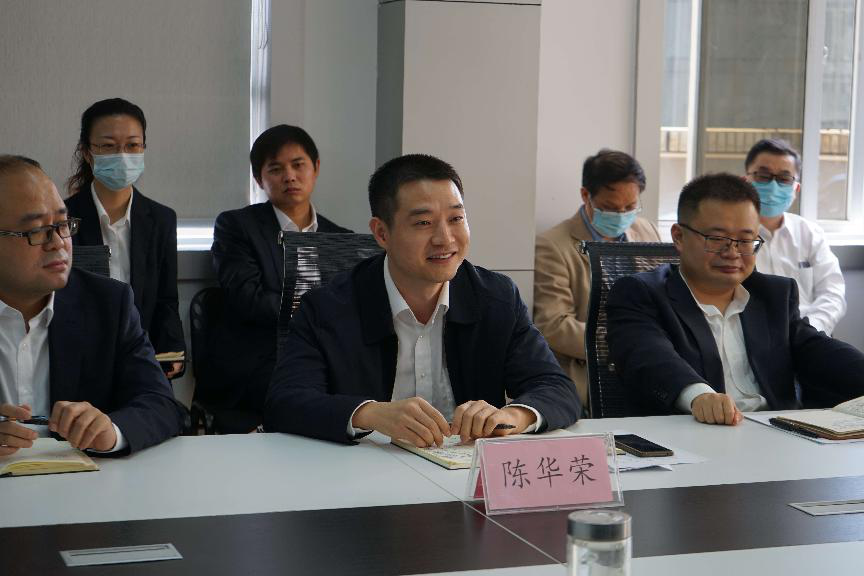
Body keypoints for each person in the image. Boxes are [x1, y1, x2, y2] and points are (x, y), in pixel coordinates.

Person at [264, 154, 580, 445]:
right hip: (363, 470)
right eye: (423, 223)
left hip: (465, 473)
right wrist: (370, 414)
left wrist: (512, 416)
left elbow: (557, 388)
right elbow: (285, 401)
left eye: (456, 218)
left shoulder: (496, 298)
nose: (445, 238)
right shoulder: (327, 307)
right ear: (382, 233)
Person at [606, 173, 864, 425]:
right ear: (679, 237)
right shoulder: (640, 293)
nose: (732, 252)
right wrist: (698, 396)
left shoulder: (773, 294)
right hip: (689, 435)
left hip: (777, 434)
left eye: (745, 240)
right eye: (717, 239)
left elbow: (818, 350)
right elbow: (650, 357)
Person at [0, 155, 185, 455]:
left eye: (63, 224)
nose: (58, 242)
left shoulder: (108, 303)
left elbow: (161, 404)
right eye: (36, 230)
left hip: (84, 478)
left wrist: (111, 430)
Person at [210, 125, 352, 426]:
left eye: (298, 165)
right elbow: (248, 298)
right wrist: (315, 314)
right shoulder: (237, 226)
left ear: (315, 168)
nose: (289, 176)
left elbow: (349, 306)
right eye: (276, 169)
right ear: (258, 179)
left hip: (327, 359)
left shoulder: (340, 237)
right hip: (262, 359)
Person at [65, 98, 185, 377]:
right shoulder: (63, 218)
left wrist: (172, 349)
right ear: (87, 152)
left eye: (132, 145)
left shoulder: (161, 219)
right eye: (108, 146)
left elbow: (166, 297)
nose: (122, 155)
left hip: (141, 354)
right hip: (79, 357)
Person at [534, 149, 660, 408]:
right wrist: (624, 344)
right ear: (585, 195)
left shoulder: (646, 230)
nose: (622, 215)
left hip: (648, 373)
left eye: (630, 207)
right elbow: (553, 325)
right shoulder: (553, 245)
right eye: (610, 208)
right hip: (590, 377)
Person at [745, 138, 845, 334]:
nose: (773, 186)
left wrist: (809, 331)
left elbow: (833, 294)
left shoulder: (810, 234)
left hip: (811, 332)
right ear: (746, 181)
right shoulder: (730, 238)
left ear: (796, 188)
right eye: (763, 176)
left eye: (784, 178)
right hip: (753, 338)